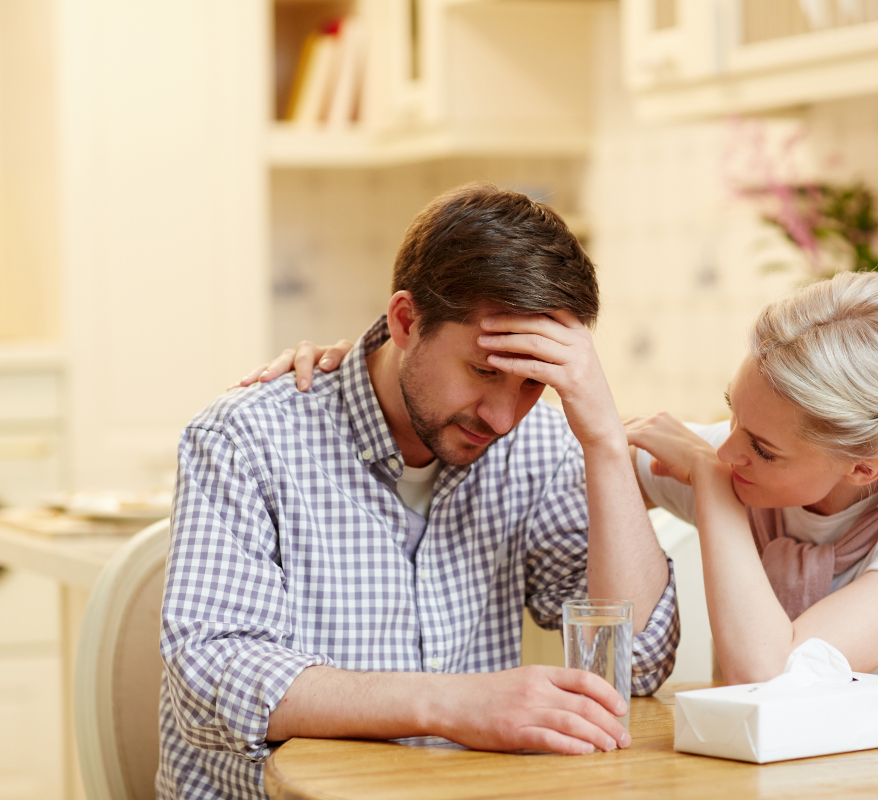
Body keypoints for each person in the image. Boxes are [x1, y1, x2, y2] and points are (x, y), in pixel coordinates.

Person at [257, 272, 878, 691]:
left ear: (865, 467)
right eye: (730, 419)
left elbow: (775, 676)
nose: (730, 450)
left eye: (760, 449)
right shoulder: (742, 459)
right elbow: (581, 453)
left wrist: (712, 489)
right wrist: (374, 369)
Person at [160, 183, 679, 799]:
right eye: (484, 371)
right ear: (406, 321)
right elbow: (211, 672)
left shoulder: (535, 443)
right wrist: (453, 703)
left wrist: (603, 441)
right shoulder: (246, 436)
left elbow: (636, 661)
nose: (503, 417)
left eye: (532, 384)